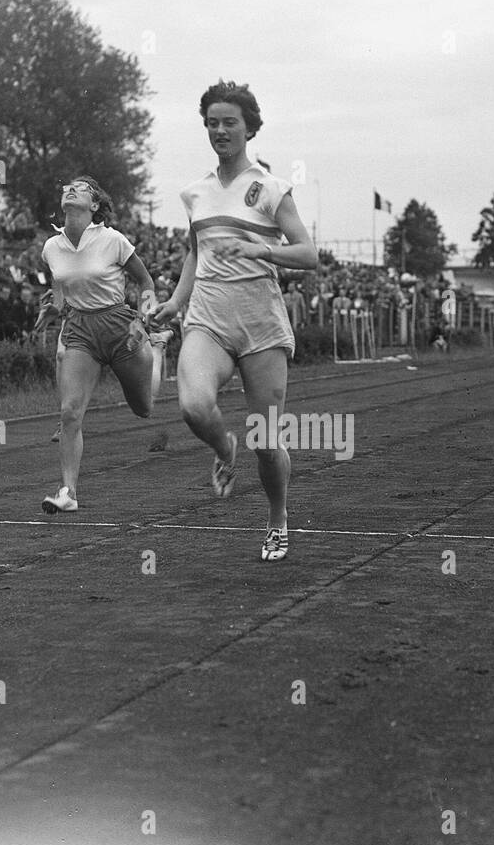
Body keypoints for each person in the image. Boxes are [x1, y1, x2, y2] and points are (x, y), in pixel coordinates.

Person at [150, 80, 319, 561]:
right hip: (208, 313)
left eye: (229, 122)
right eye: (212, 123)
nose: (219, 130)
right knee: (193, 406)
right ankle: (225, 447)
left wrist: (258, 248)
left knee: (267, 440)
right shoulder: (194, 193)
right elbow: (193, 253)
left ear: (249, 129)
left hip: (260, 320)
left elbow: (309, 254)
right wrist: (175, 303)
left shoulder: (270, 188)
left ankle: (278, 519)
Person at [39, 175, 170, 513]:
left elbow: (144, 280)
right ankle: (68, 492)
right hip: (80, 329)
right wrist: (53, 306)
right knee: (70, 412)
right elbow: (59, 288)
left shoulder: (113, 240)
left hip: (119, 326)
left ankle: (157, 347)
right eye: (67, 186)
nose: (70, 188)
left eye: (80, 189)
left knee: (144, 408)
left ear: (94, 205)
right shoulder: (51, 248)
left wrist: (144, 317)